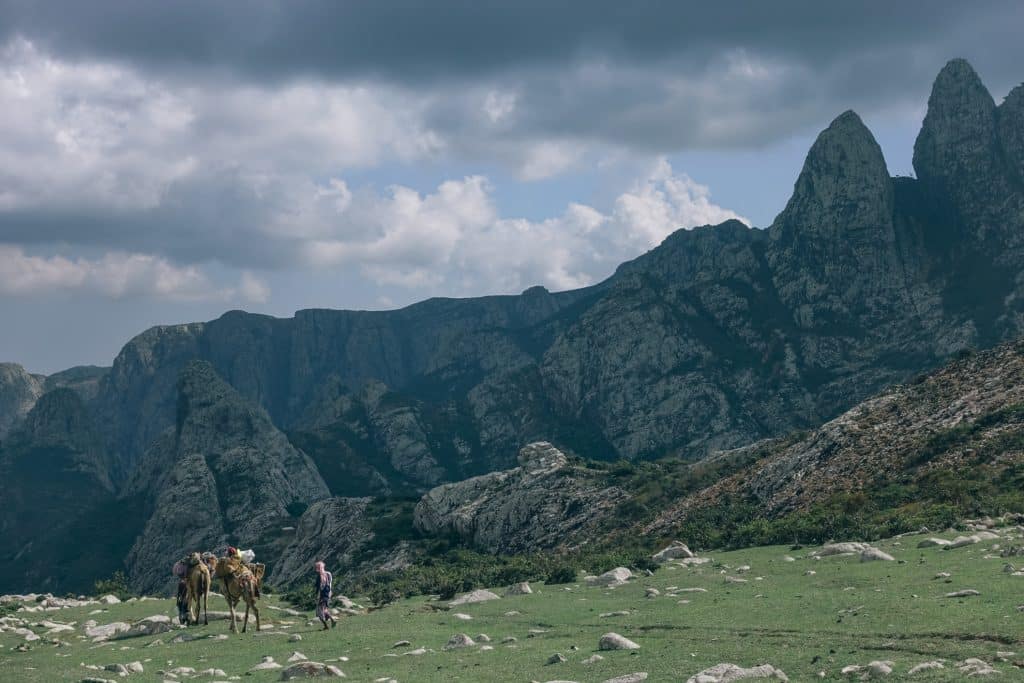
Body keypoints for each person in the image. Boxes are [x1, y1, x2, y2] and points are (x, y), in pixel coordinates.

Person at [314, 561, 337, 630]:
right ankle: (329, 622)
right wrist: (330, 592)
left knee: (319, 612)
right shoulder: (328, 574)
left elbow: (319, 588)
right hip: (328, 594)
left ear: (317, 568)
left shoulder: (319, 576)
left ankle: (329, 623)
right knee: (325, 609)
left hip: (321, 596)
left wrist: (316, 597)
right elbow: (330, 584)